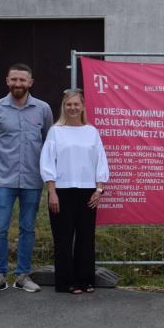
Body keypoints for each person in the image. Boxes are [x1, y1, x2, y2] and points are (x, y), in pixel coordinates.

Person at [0, 63, 53, 295]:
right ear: (7, 81)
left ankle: (23, 275)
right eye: (14, 80)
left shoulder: (43, 109)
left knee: (28, 229)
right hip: (3, 180)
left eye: (22, 80)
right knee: (0, 229)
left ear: (30, 83)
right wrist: (7, 163)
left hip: (32, 180)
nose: (18, 84)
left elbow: (47, 143)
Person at [40, 90, 109, 294]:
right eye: (68, 104)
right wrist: (52, 192)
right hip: (61, 191)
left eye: (76, 104)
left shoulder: (91, 132)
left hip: (88, 192)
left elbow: (100, 161)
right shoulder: (55, 131)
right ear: (64, 107)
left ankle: (85, 279)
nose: (72, 108)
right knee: (63, 238)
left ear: (83, 106)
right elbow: (47, 163)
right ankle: (65, 282)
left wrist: (99, 189)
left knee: (86, 238)